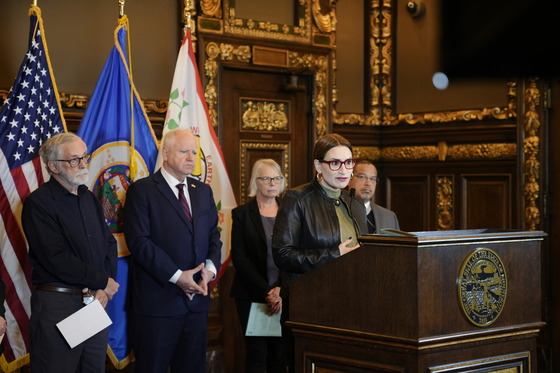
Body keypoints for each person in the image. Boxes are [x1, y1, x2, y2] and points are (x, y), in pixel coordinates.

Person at [123, 128, 222, 373]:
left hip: (196, 302)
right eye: (184, 152)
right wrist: (179, 277)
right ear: (166, 153)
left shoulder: (203, 191)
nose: (191, 158)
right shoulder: (142, 190)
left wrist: (209, 270)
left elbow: (213, 235)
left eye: (194, 152)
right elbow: (140, 242)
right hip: (157, 304)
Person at [21, 132, 119, 372]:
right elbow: (57, 259)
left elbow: (108, 244)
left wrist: (105, 287)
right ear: (53, 166)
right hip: (59, 305)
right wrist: (103, 281)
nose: (83, 164)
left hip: (94, 301)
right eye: (74, 159)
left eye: (84, 157)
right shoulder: (39, 203)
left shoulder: (88, 198)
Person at [272, 133, 368, 371]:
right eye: (335, 163)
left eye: (349, 162)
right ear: (318, 165)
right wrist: (333, 253)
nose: (344, 169)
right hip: (311, 309)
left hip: (354, 305)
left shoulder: (354, 203)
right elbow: (283, 254)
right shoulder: (297, 198)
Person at [230, 159, 287, 373]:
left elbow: (294, 255)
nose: (272, 183)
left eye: (276, 178)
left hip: (285, 294)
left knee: (279, 354)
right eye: (266, 178)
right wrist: (267, 292)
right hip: (252, 294)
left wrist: (281, 290)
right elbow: (239, 257)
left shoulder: (290, 212)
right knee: (256, 353)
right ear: (256, 181)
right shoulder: (242, 214)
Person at [346, 159, 400, 233]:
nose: (368, 183)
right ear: (349, 179)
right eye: (362, 177)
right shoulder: (338, 210)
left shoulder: (389, 217)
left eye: (372, 179)